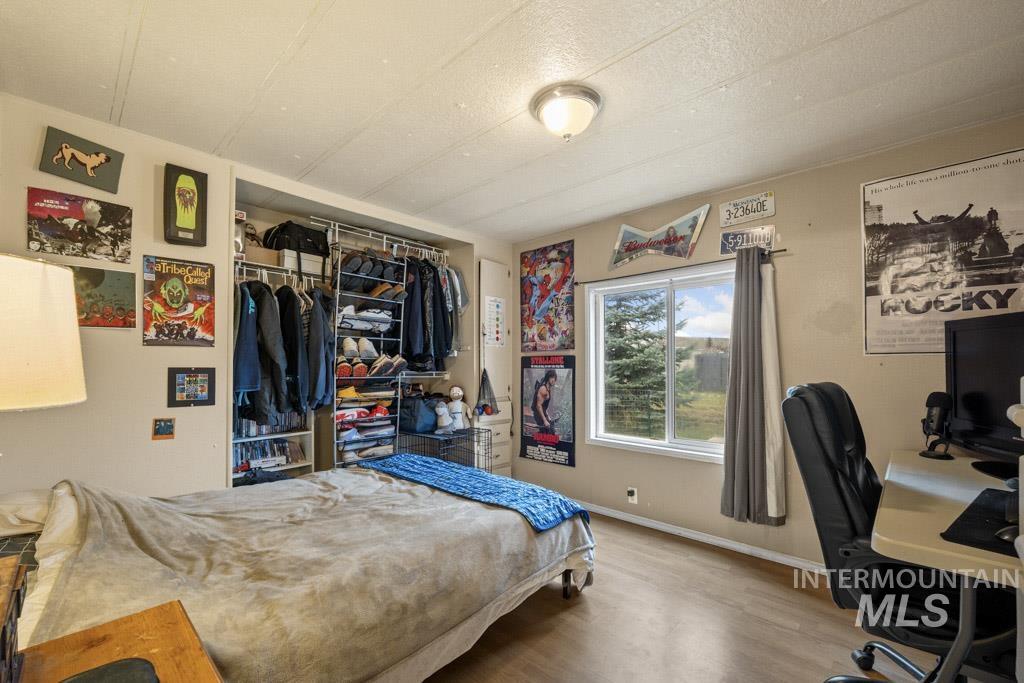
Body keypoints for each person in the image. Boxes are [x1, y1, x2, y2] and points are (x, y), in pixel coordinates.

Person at [532, 369, 557, 434]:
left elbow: (544, 406)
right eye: (551, 377)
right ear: (548, 378)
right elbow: (538, 406)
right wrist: (545, 420)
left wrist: (547, 416)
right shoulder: (543, 389)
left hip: (543, 413)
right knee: (546, 432)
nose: (553, 380)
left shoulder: (548, 389)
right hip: (538, 414)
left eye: (554, 378)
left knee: (552, 431)